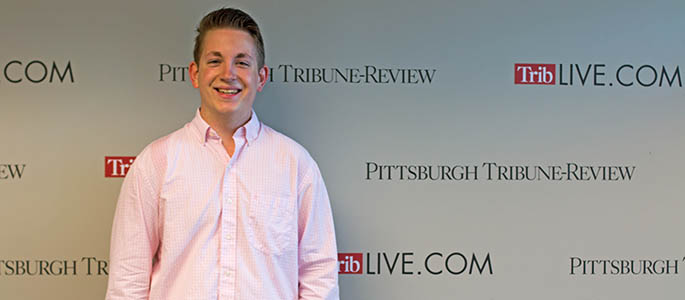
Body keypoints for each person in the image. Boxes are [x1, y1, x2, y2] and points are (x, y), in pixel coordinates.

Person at [106, 7, 339, 300]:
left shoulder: (295, 164)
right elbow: (128, 281)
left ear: (261, 77)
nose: (228, 74)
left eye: (242, 63)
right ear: (195, 73)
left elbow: (319, 276)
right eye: (215, 61)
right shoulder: (156, 163)